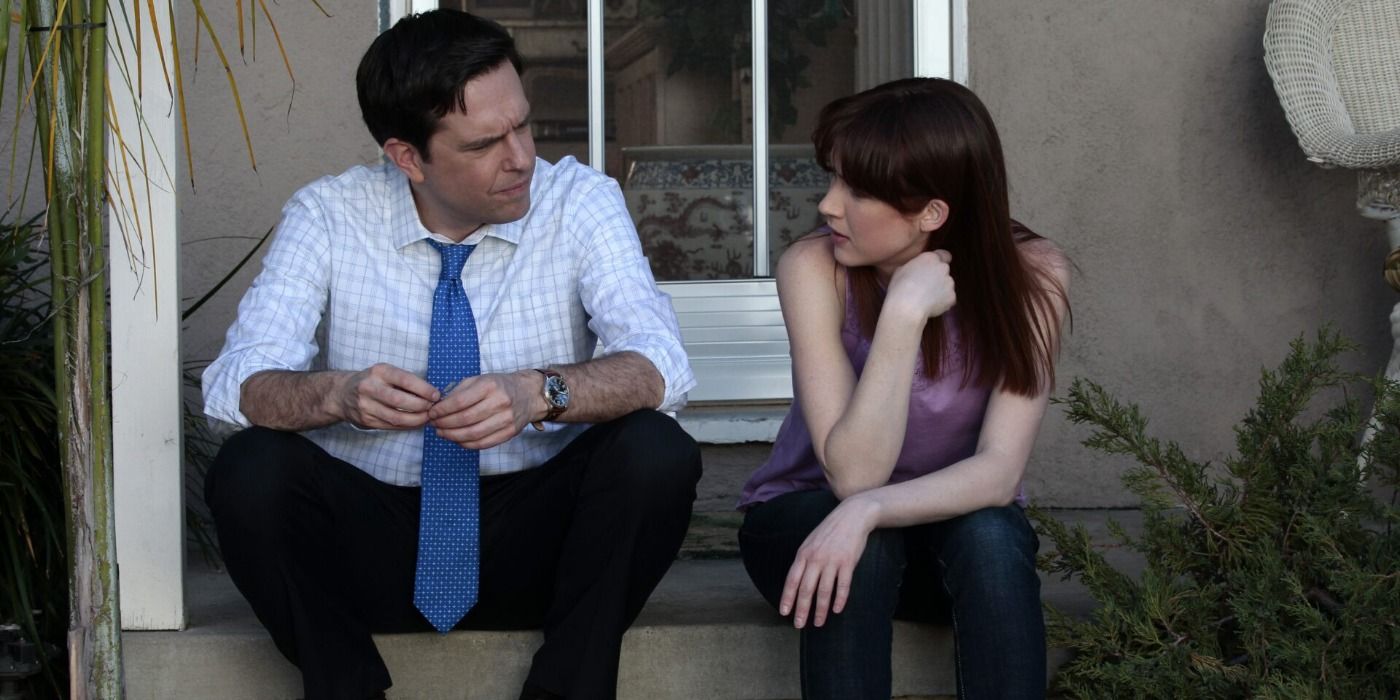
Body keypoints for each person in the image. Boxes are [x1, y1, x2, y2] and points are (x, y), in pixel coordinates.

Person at [200, 9, 701, 700]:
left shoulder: (579, 200)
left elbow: (660, 366)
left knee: (657, 450)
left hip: (540, 541)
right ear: (407, 156)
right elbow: (233, 389)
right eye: (486, 142)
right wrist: (335, 396)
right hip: (376, 541)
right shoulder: (329, 215)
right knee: (249, 469)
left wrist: (539, 394)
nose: (521, 155)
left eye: (522, 125)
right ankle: (345, 686)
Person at [736, 77, 1070, 700]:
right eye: (832, 178)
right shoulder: (812, 269)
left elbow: (998, 473)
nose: (828, 206)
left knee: (994, 536)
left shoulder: (1035, 276)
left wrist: (870, 511)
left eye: (857, 190)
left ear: (932, 214)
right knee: (866, 548)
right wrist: (902, 318)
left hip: (936, 531)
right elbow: (854, 475)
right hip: (806, 526)